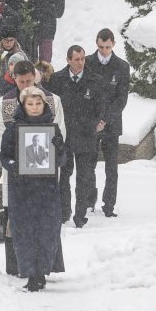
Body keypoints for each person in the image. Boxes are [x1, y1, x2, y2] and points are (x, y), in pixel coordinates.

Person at [0, 60, 68, 275]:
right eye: (21, 81)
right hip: (18, 174)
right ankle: (19, 265)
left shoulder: (52, 101)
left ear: (35, 77)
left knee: (46, 221)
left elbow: (59, 131)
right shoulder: (3, 104)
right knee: (19, 220)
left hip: (45, 172)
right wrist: (20, 159)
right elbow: (1, 137)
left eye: (29, 80)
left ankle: (47, 264)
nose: (26, 85)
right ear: (13, 78)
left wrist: (48, 154)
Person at [46, 46, 106, 228]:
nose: (80, 62)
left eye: (82, 59)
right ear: (68, 60)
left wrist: (97, 122)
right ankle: (64, 212)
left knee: (84, 177)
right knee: (64, 175)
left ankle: (80, 215)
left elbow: (101, 106)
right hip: (64, 136)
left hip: (86, 136)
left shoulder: (94, 80)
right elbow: (51, 106)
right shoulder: (57, 80)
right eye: (77, 59)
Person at [84, 29, 131, 218]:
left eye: (108, 47)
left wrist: (105, 119)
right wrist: (95, 120)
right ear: (96, 43)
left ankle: (109, 205)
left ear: (113, 44)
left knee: (112, 167)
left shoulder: (122, 66)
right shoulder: (87, 62)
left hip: (111, 123)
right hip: (92, 123)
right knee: (89, 164)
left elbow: (122, 98)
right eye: (101, 47)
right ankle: (89, 201)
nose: (104, 51)